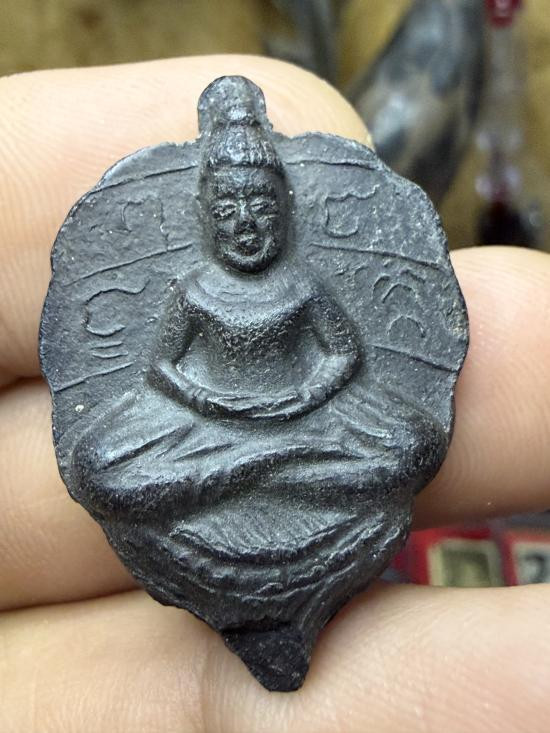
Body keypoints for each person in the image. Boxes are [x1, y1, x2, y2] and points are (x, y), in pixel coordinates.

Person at [1, 56, 549, 729]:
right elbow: (164, 366)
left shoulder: (303, 285)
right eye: (228, 209)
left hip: (306, 414)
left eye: (261, 206)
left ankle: (251, 469)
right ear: (204, 215)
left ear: (287, 210)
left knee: (415, 446)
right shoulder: (193, 290)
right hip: (204, 420)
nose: (246, 223)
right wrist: (207, 402)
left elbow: (345, 353)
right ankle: (267, 466)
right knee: (96, 467)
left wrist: (304, 399)